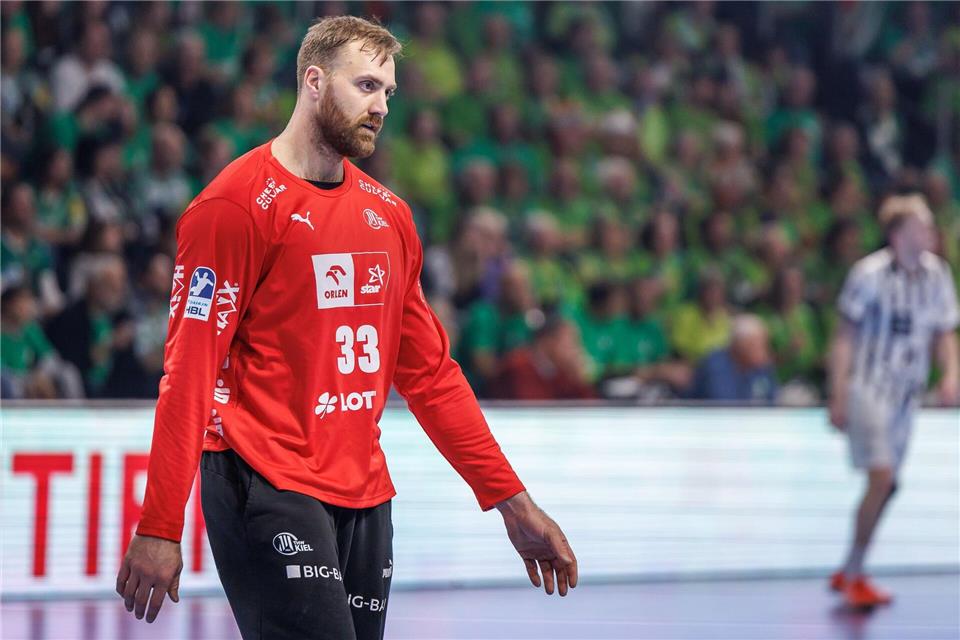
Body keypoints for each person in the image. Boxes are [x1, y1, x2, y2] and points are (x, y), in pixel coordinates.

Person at [115, 16, 577, 639]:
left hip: (364, 491)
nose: (381, 106)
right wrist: (161, 523)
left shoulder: (389, 217)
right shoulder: (234, 208)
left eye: (388, 91)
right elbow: (187, 375)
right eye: (365, 86)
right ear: (313, 82)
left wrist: (512, 504)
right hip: (263, 477)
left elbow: (431, 376)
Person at [827, 193, 959, 608]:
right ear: (899, 232)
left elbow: (943, 332)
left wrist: (951, 374)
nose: (930, 232)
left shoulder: (938, 275)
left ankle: (850, 567)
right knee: (882, 478)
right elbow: (845, 336)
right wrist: (838, 393)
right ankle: (852, 574)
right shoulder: (868, 274)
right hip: (869, 387)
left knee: (889, 485)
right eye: (921, 225)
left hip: (907, 395)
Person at [687, 314, 778, 403]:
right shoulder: (716, 366)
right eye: (761, 346)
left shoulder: (762, 368)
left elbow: (772, 401)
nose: (765, 352)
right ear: (742, 346)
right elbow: (726, 408)